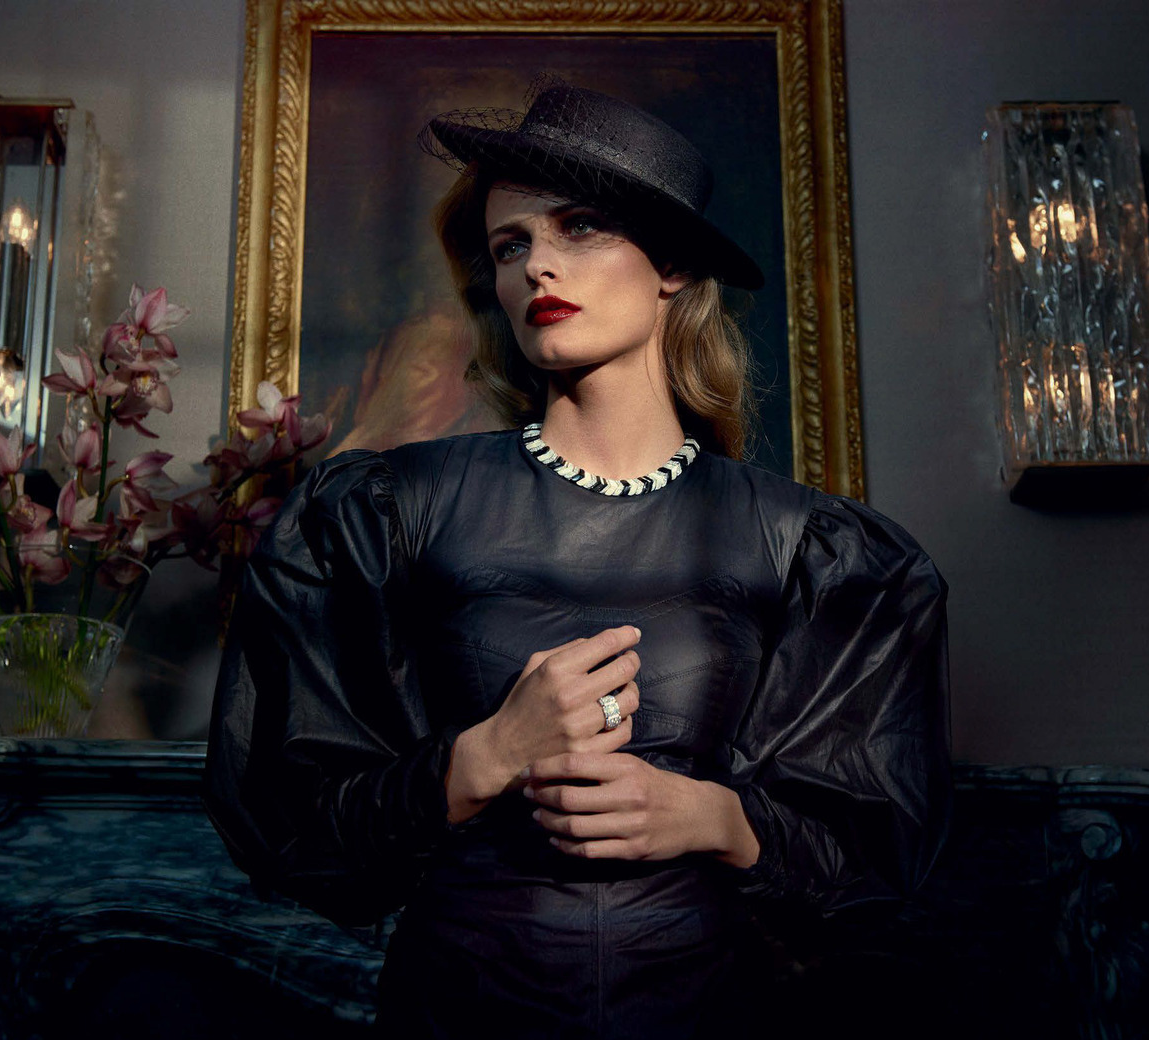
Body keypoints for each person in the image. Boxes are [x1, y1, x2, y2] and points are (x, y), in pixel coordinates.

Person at [202, 78, 953, 1039]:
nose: (538, 268)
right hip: (459, 1009)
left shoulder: (812, 547)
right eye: (510, 246)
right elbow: (285, 815)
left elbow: (873, 858)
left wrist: (713, 818)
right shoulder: (384, 512)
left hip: (707, 1010)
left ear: (672, 263)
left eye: (580, 227)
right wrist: (484, 757)